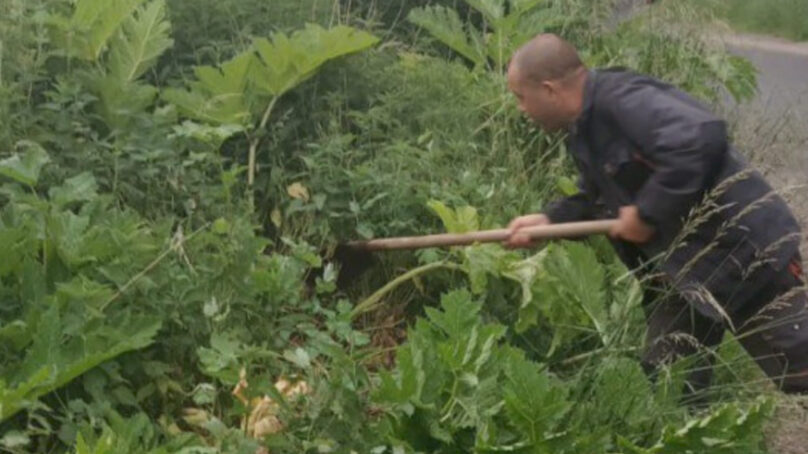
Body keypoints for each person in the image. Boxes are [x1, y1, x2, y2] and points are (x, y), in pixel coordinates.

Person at [505, 33, 808, 397]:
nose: (521, 108)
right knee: (667, 384)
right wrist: (549, 222)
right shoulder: (585, 130)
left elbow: (700, 136)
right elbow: (597, 199)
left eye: (521, 97)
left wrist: (647, 212)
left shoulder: (623, 101)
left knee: (800, 371)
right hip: (686, 274)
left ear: (550, 89)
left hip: (743, 256)